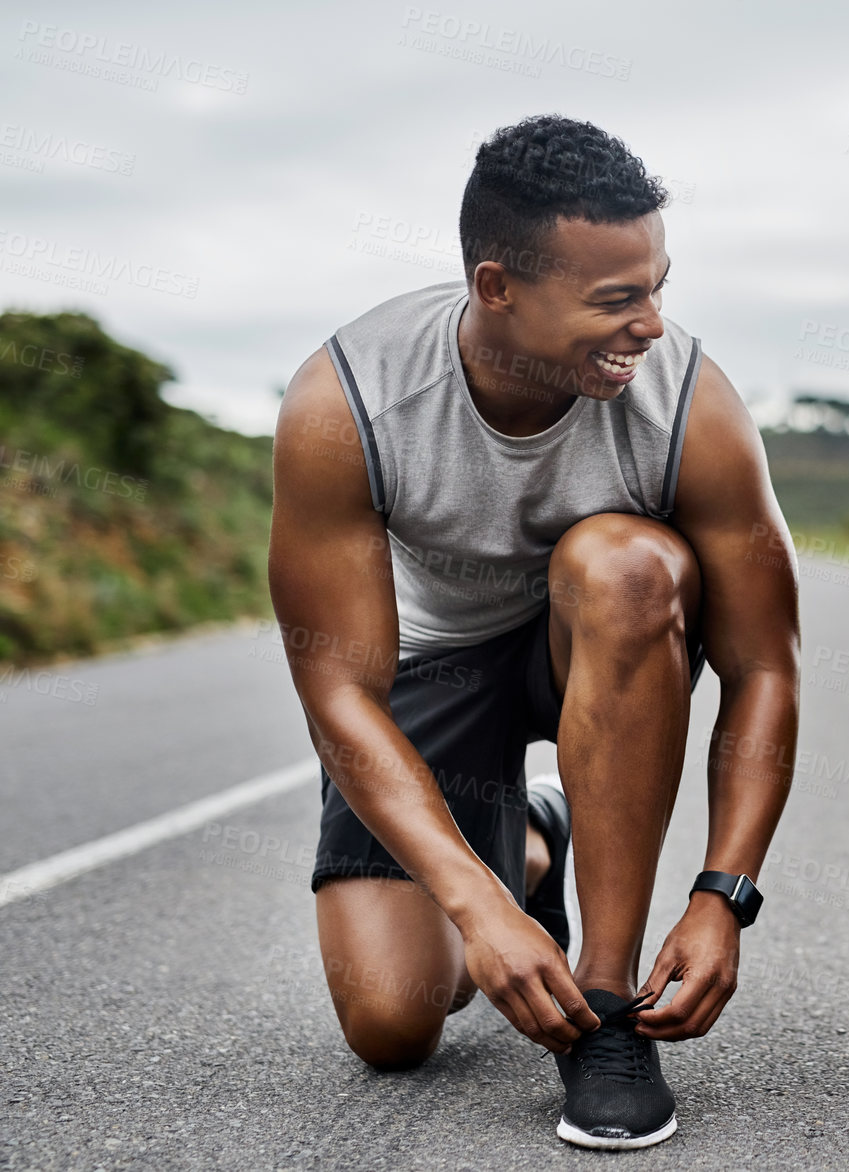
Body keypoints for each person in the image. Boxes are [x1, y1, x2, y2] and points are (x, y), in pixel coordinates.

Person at [268, 116, 800, 1150]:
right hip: (431, 658)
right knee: (392, 1016)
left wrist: (723, 892)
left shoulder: (690, 402)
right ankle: (529, 843)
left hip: (598, 638)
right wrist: (479, 908)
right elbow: (339, 693)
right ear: (497, 286)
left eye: (656, 285)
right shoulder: (349, 398)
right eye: (615, 298)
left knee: (628, 564)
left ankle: (603, 1008)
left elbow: (764, 664)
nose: (649, 323)